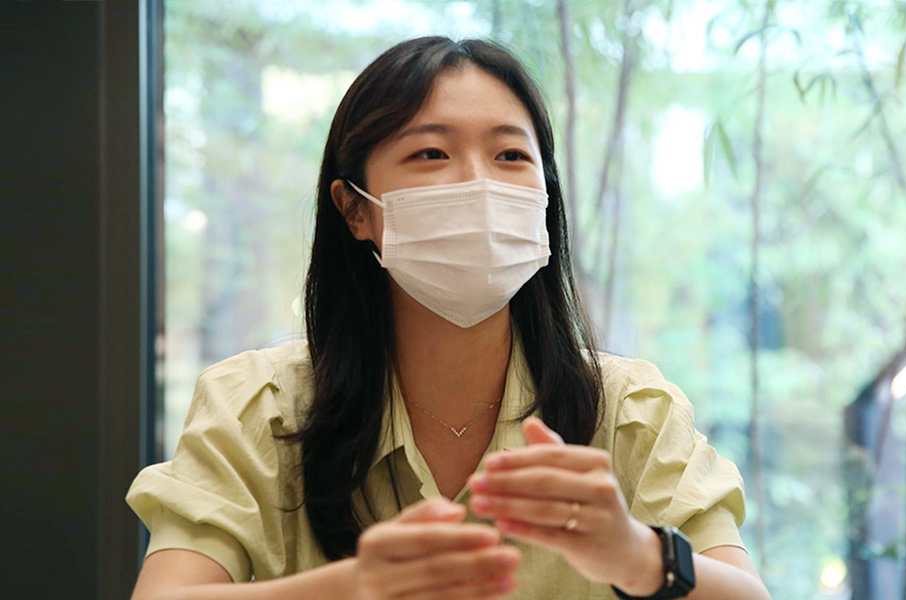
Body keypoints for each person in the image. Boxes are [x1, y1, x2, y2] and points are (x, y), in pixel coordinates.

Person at [127, 37, 771, 600]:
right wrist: (354, 587)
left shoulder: (632, 411)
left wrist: (637, 555)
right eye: (432, 154)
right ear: (355, 209)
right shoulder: (258, 408)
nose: (478, 184)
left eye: (510, 156)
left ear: (545, 199)